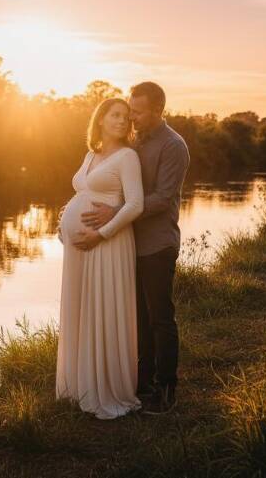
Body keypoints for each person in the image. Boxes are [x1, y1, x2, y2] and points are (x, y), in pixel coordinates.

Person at [80, 82, 189, 415]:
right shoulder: (134, 140)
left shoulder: (173, 146)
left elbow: (161, 199)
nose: (132, 118)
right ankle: (143, 383)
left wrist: (116, 211)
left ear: (158, 110)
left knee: (160, 318)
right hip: (127, 243)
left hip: (156, 243)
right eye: (130, 111)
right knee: (138, 319)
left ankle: (167, 389)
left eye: (138, 112)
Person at [55, 97, 144, 420]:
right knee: (81, 308)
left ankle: (106, 389)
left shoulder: (128, 157)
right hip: (79, 247)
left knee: (102, 308)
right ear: (101, 119)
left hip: (108, 243)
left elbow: (135, 205)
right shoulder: (91, 154)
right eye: (115, 115)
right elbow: (83, 191)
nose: (122, 121)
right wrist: (65, 216)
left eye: (126, 117)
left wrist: (100, 234)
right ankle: (78, 385)